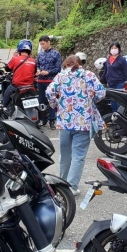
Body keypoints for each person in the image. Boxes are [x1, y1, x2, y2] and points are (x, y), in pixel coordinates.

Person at [46, 55, 106, 195]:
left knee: (65, 155)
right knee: (78, 156)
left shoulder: (61, 76)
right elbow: (101, 93)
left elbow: (49, 92)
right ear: (80, 64)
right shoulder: (89, 75)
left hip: (64, 122)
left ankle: (62, 183)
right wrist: (91, 100)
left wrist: (56, 104)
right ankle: (72, 187)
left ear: (66, 64)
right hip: (83, 122)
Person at [3, 39, 37, 109]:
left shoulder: (15, 59)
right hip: (30, 87)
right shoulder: (34, 61)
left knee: (6, 97)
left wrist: (14, 57)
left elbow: (7, 69)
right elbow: (34, 72)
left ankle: (4, 109)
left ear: (19, 50)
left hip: (17, 86)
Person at [37, 35, 62, 129]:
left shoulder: (56, 54)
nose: (42, 46)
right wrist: (38, 70)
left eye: (43, 44)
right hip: (40, 80)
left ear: (48, 42)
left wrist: (48, 72)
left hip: (51, 81)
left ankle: (52, 120)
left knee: (51, 100)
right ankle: (43, 119)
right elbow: (38, 65)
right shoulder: (40, 54)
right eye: (41, 44)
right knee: (41, 100)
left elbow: (58, 68)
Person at [99, 42, 127, 112]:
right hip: (110, 84)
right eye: (112, 48)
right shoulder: (108, 60)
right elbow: (105, 72)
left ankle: (121, 119)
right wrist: (99, 82)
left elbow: (125, 73)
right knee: (113, 103)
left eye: (115, 48)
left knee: (119, 103)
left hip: (120, 84)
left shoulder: (122, 59)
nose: (113, 50)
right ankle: (114, 120)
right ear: (109, 50)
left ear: (119, 49)